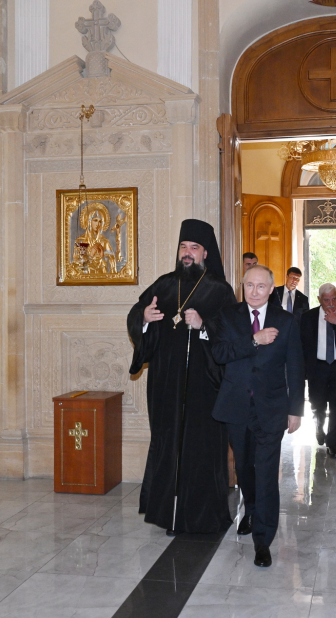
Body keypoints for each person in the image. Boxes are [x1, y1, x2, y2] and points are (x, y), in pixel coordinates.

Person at [126, 219, 237, 535]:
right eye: (183, 247)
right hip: (166, 384)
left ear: (205, 253)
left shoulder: (220, 291)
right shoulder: (163, 285)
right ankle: (167, 514)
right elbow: (136, 314)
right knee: (169, 444)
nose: (187, 254)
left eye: (194, 248)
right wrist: (144, 320)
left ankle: (199, 515)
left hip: (205, 386)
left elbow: (230, 336)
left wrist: (204, 326)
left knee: (200, 449)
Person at [212, 264, 305, 568]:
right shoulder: (228, 316)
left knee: (266, 472)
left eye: (261, 287)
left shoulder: (286, 321)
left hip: (272, 408)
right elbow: (220, 354)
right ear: (243, 287)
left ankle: (263, 540)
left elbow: (295, 367)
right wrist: (255, 340)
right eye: (249, 286)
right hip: (236, 406)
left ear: (271, 289)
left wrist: (295, 410)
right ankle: (250, 508)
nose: (254, 292)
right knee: (244, 467)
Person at [301, 283, 336, 457]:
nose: (331, 303)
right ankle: (319, 428)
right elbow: (302, 345)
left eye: (334, 299)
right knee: (317, 404)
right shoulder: (308, 317)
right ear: (319, 300)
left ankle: (333, 444)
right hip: (317, 368)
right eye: (327, 300)